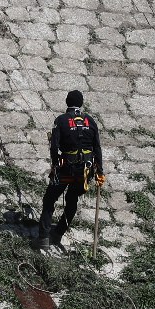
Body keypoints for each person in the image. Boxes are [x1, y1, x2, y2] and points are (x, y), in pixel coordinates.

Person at [40, 90, 105, 249]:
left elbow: (54, 147)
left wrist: (55, 165)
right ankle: (58, 233)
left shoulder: (61, 120)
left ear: (67, 102)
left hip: (65, 170)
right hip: (84, 172)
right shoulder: (90, 121)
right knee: (72, 199)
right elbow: (97, 147)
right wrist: (100, 172)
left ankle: (43, 238)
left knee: (49, 199)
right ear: (81, 103)